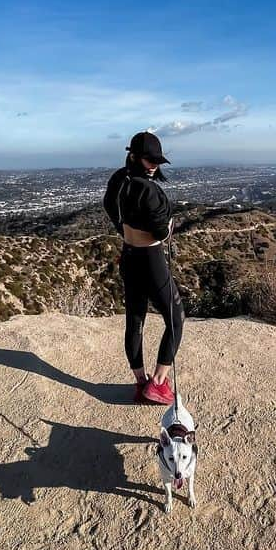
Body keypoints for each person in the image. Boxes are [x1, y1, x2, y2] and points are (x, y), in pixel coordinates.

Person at [103, 131, 185, 405]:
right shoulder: (150, 191)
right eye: (150, 160)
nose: (154, 165)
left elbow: (110, 208)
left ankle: (140, 383)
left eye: (157, 160)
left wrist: (126, 232)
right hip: (150, 258)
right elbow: (161, 231)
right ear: (135, 156)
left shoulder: (119, 179)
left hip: (129, 255)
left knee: (135, 320)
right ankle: (159, 383)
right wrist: (169, 228)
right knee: (175, 318)